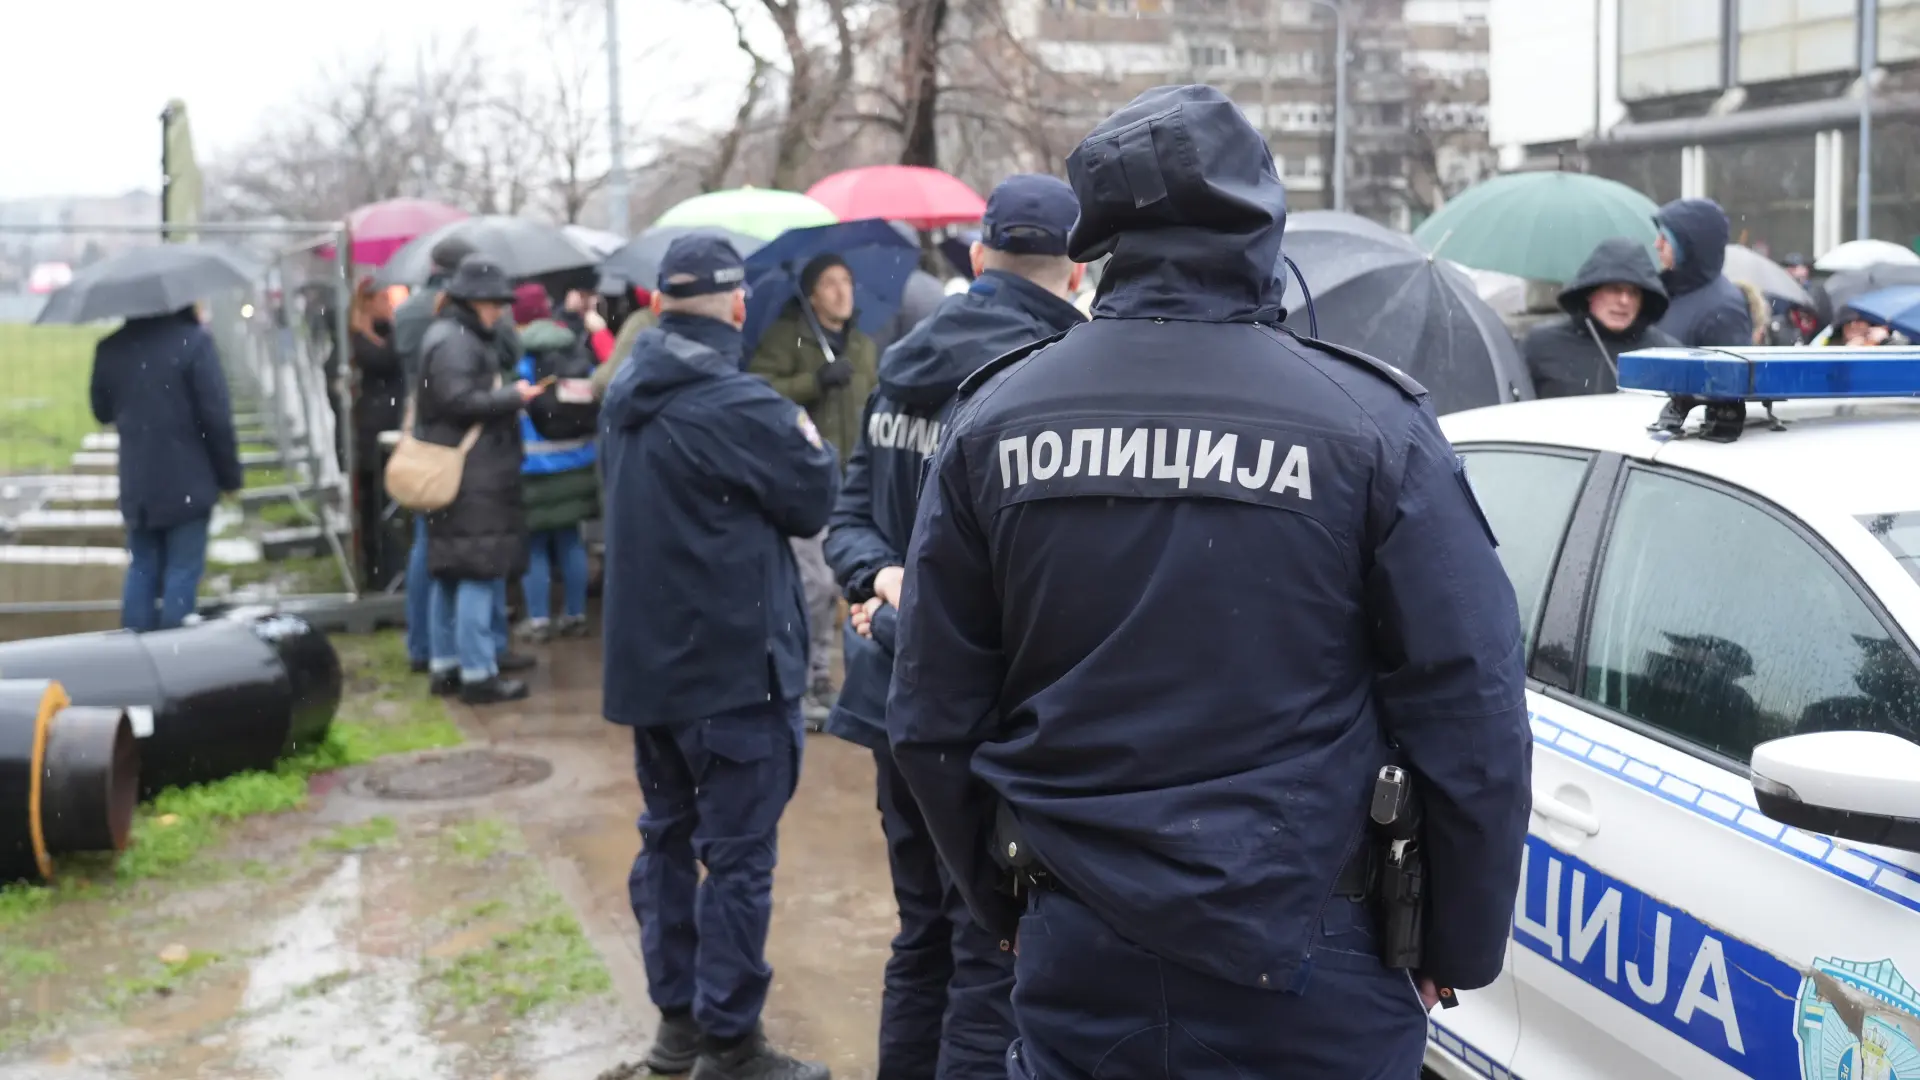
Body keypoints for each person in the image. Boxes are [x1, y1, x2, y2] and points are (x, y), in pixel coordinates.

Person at [887, 86, 1533, 1080]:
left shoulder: (995, 421)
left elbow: (933, 713)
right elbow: (1472, 707)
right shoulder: (1367, 426)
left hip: (1081, 941)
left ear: (1100, 231)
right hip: (1309, 954)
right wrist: (1458, 942)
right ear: (1261, 217)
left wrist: (1002, 903)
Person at [823, 174, 1087, 1080]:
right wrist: (903, 583)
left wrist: (884, 578)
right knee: (990, 954)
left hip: (898, 695)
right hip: (990, 709)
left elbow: (847, 515)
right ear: (1078, 273)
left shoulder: (900, 364)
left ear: (977, 260)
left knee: (923, 935)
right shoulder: (1054, 385)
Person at [599, 236, 837, 1080]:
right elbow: (815, 496)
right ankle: (729, 1045)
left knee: (666, 843)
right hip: (732, 671)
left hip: (651, 669)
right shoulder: (739, 405)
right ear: (739, 308)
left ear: (660, 303)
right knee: (737, 856)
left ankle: (679, 1033)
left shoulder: (625, 390)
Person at [750, 254, 876, 725]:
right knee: (814, 586)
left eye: (847, 280)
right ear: (811, 293)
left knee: (839, 588)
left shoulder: (861, 345)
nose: (842, 291)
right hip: (802, 480)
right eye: (830, 283)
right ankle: (797, 683)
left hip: (853, 482)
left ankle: (820, 677)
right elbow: (758, 390)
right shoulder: (789, 337)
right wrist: (813, 381)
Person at [416, 256, 546, 705]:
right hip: (475, 474)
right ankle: (477, 673)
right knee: (475, 570)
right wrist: (512, 396)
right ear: (473, 301)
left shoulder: (449, 334)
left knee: (451, 571)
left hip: (460, 470)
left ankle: (446, 665)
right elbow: (458, 399)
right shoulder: (457, 341)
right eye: (494, 304)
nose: (500, 312)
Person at [90, 304, 243, 631]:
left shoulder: (110, 348)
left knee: (142, 566)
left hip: (138, 483)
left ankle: (136, 654)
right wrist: (229, 476)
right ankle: (173, 656)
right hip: (188, 481)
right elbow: (214, 418)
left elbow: (101, 410)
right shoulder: (193, 343)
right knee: (183, 571)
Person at [395, 235, 477, 673]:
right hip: (464, 439)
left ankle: (422, 644)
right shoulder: (462, 319)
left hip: (422, 431)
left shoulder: (407, 312)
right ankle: (468, 650)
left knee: (426, 542)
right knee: (465, 545)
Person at [510, 284, 600, 642]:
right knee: (570, 540)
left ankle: (539, 619)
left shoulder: (520, 355)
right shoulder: (574, 346)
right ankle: (575, 614)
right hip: (578, 460)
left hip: (533, 466)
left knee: (534, 544)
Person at [1522, 237, 1678, 398]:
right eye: (1614, 289)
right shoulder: (1542, 345)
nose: (1624, 301)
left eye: (1634, 293)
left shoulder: (1666, 354)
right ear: (1590, 292)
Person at [348, 276, 405, 583]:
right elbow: (384, 360)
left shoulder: (377, 333)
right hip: (370, 431)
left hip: (381, 426)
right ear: (368, 302)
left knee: (385, 501)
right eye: (384, 299)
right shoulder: (358, 340)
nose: (389, 305)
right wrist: (397, 324)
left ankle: (385, 567)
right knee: (376, 503)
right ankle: (379, 570)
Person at [1651, 198, 1754, 348]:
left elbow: (1729, 370)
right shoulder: (1669, 293)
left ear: (1688, 246)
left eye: (1665, 238)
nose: (1657, 244)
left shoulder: (1724, 311)